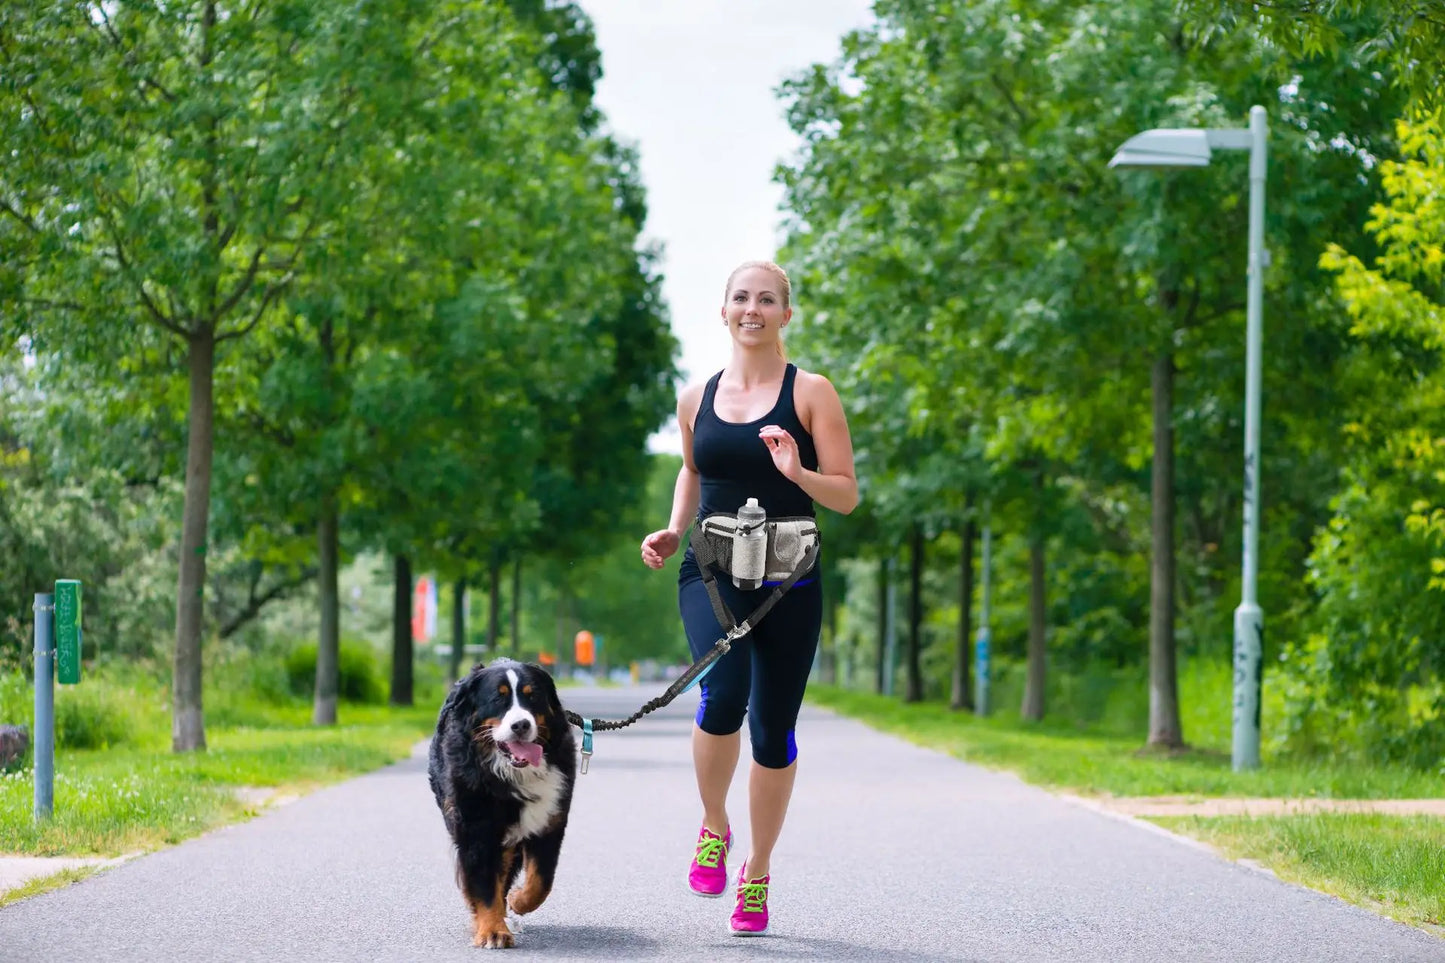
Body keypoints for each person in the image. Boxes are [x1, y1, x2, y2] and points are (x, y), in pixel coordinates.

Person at [639, 260, 858, 936]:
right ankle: (713, 825)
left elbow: (846, 493)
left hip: (788, 576)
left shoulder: (812, 392)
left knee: (771, 730)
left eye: (767, 299)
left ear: (785, 314)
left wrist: (798, 471)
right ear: (723, 310)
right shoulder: (694, 396)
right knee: (721, 692)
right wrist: (675, 528)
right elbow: (693, 468)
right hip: (710, 568)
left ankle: (756, 870)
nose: (752, 308)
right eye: (741, 297)